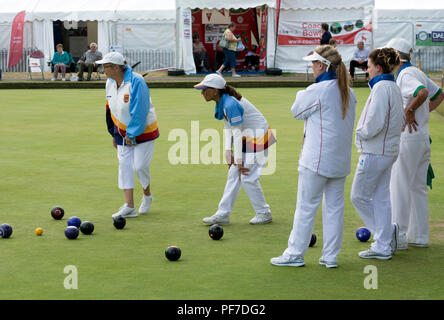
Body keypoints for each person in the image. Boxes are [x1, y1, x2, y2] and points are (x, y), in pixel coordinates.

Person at [271, 45, 356, 268]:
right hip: (340, 161)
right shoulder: (348, 91)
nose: (312, 67)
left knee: (306, 207)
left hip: (317, 160)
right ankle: (330, 256)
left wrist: (304, 92)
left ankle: (294, 253)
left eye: (313, 63)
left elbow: (296, 111)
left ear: (322, 65)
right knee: (334, 209)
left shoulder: (318, 90)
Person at [194, 73, 276, 225]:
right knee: (234, 173)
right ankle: (223, 214)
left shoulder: (230, 104)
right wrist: (227, 151)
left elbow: (237, 134)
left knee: (247, 176)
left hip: (258, 137)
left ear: (215, 90)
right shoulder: (222, 102)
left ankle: (264, 213)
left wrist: (238, 159)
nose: (202, 92)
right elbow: (229, 128)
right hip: (247, 136)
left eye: (205, 89)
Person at [386, 38, 444, 250]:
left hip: (408, 137)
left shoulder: (406, 74)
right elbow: (440, 94)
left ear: (396, 55)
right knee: (417, 187)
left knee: (399, 185)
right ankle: (419, 236)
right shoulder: (417, 72)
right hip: (421, 137)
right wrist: (423, 111)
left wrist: (410, 110)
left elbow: (423, 93)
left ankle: (399, 235)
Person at [350, 47, 404, 260]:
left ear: (378, 67)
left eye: (369, 66)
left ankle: (386, 234)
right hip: (387, 151)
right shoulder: (392, 86)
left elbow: (374, 123)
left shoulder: (381, 88)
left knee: (359, 196)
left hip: (375, 151)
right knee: (381, 198)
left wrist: (359, 132)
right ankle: (383, 245)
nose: (367, 70)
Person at [96, 52, 159, 219]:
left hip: (144, 130)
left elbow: (140, 109)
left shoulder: (137, 81)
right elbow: (110, 108)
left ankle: (147, 194)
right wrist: (114, 132)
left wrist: (131, 133)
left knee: (139, 166)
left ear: (117, 67)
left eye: (106, 66)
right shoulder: (109, 83)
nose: (103, 70)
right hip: (121, 132)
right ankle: (129, 205)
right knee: (124, 166)